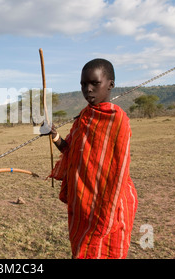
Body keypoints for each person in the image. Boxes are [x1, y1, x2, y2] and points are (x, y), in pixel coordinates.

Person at [47, 58, 138, 259]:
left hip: (110, 201)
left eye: (94, 83)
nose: (88, 89)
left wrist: (107, 205)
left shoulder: (117, 119)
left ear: (110, 85)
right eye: (83, 84)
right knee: (82, 250)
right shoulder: (84, 116)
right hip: (83, 202)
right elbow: (71, 150)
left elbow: (118, 167)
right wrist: (54, 136)